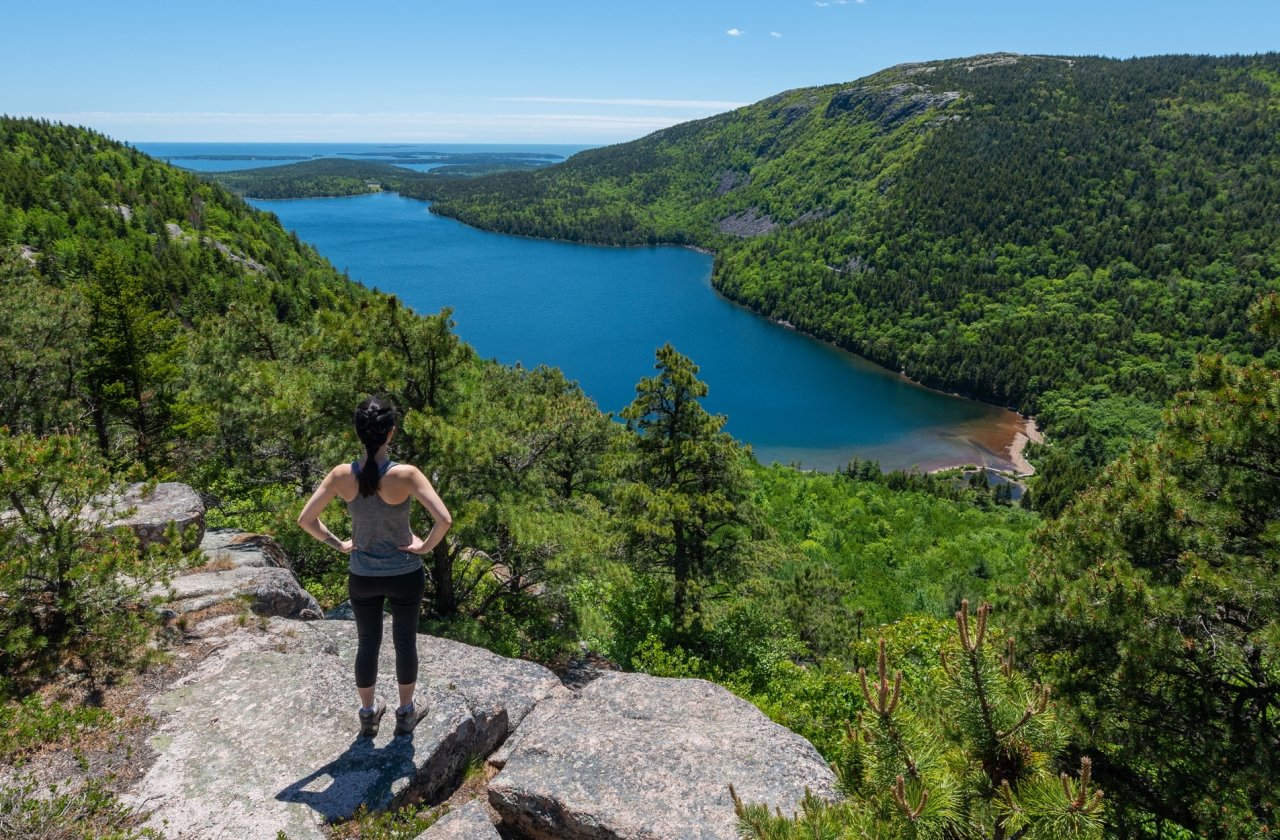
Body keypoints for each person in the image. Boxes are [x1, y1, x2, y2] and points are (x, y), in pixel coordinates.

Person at [297, 396, 452, 737]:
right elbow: (444, 520)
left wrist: (339, 544)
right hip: (405, 574)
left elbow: (306, 519)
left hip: (362, 575)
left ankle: (368, 715)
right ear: (390, 433)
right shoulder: (406, 475)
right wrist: (422, 547)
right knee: (405, 641)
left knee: (367, 643)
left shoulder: (341, 475)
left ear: (359, 433)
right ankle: (406, 713)